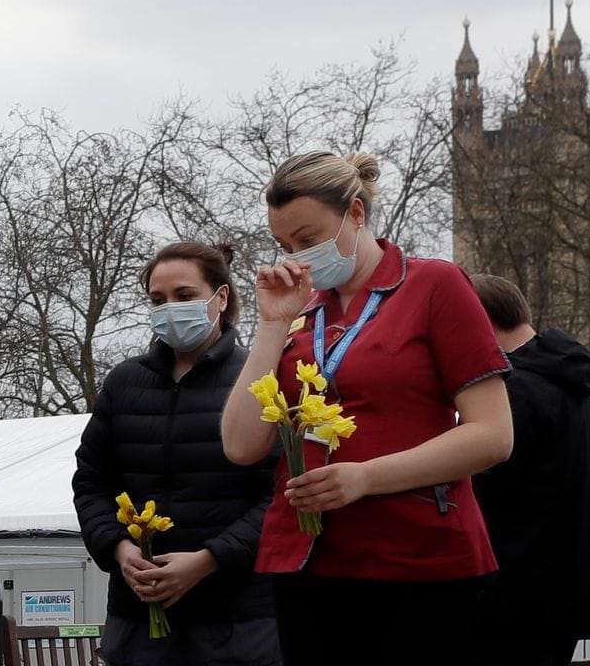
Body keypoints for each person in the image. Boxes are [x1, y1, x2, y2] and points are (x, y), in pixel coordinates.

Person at [220, 151, 514, 666]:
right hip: (307, 562)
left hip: (418, 560)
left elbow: (492, 435)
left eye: (309, 240)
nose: (297, 258)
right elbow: (242, 445)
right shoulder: (301, 312)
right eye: (285, 245)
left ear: (356, 214)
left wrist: (365, 478)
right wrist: (270, 325)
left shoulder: (434, 285)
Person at [73, 242, 282, 666]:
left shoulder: (258, 378)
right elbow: (91, 481)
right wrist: (120, 549)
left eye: (184, 296)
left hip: (238, 623)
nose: (170, 308)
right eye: (157, 300)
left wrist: (209, 560)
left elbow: (279, 495)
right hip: (137, 621)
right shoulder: (123, 382)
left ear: (220, 298)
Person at [469, 274, 590, 665]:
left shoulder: (511, 393)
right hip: (562, 595)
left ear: (479, 321)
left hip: (512, 596)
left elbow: (484, 494)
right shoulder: (574, 388)